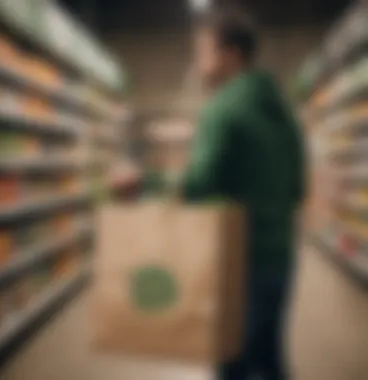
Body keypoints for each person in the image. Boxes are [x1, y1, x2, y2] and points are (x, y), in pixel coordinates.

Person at [112, 7, 305, 380]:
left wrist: (143, 183)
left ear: (230, 54)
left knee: (232, 363)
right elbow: (298, 188)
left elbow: (197, 186)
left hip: (239, 263)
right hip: (281, 257)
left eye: (202, 51)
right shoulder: (283, 111)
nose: (198, 64)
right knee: (270, 360)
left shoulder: (223, 107)